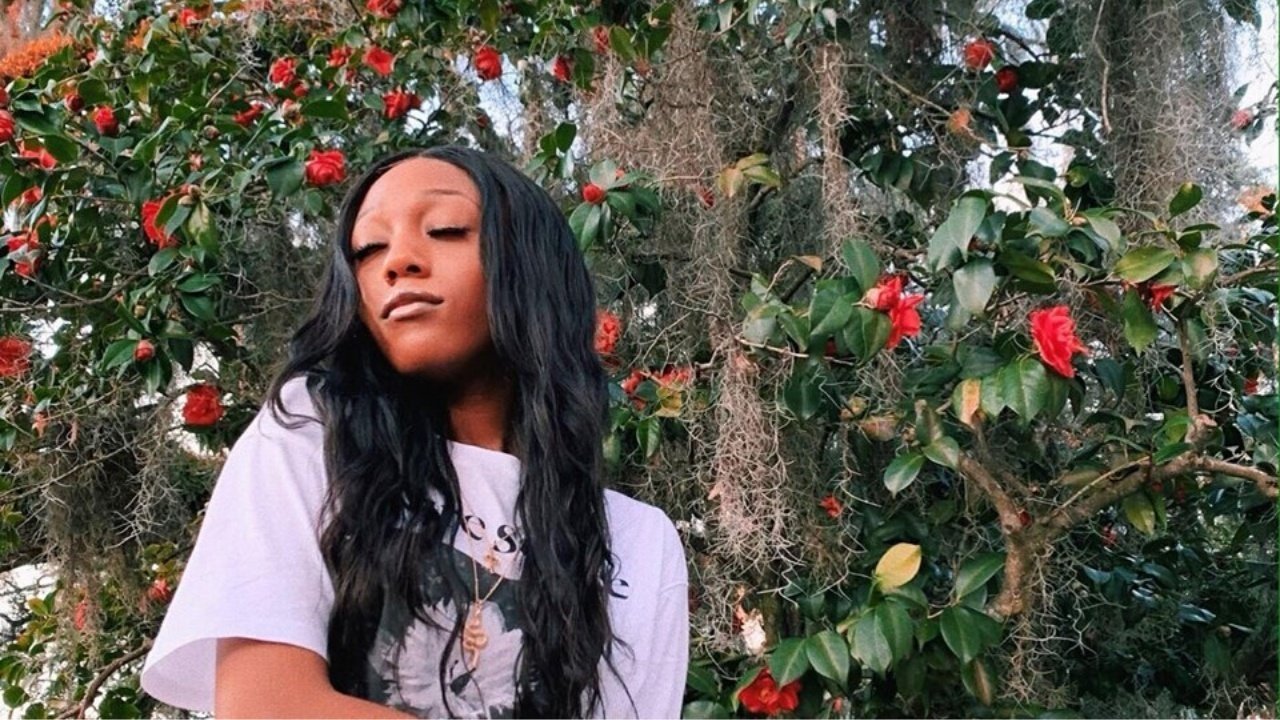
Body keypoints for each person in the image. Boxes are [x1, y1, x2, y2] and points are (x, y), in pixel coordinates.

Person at [138, 146, 689, 718]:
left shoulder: (638, 543)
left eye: (445, 229)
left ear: (530, 263)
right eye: (368, 249)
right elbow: (268, 704)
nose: (396, 261)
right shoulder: (310, 437)